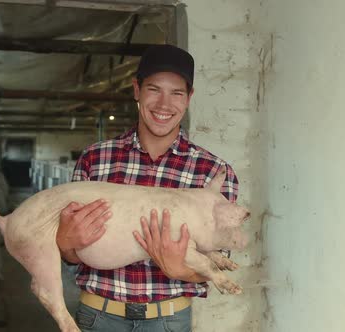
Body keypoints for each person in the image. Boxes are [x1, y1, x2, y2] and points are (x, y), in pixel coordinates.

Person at [55, 44, 239, 332]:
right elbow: (72, 255)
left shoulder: (212, 172)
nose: (164, 104)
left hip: (168, 320)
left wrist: (179, 269)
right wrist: (65, 246)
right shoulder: (95, 159)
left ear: (189, 98)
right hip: (98, 316)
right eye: (154, 89)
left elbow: (222, 259)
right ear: (136, 89)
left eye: (176, 93)